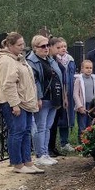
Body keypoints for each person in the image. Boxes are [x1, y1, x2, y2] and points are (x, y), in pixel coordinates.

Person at [0, 33, 42, 174]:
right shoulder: (6, 61)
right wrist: (14, 104)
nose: (22, 47)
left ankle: (27, 161)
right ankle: (17, 164)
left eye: (23, 44)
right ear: (9, 45)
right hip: (13, 103)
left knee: (26, 131)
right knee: (17, 131)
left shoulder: (19, 59)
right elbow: (8, 84)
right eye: (19, 45)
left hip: (24, 101)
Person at [27, 35, 63, 167]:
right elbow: (34, 82)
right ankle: (39, 154)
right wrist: (38, 97)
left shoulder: (50, 60)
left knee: (48, 127)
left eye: (47, 45)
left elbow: (58, 77)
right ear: (35, 48)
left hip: (54, 98)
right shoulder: (32, 62)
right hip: (43, 98)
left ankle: (45, 152)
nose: (46, 48)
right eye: (43, 46)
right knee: (40, 127)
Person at [50, 37, 76, 154]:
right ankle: (52, 143)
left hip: (69, 92)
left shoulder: (70, 60)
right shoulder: (54, 61)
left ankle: (65, 142)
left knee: (66, 118)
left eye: (64, 46)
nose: (63, 49)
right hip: (59, 92)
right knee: (57, 118)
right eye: (59, 47)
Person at [73, 59, 95, 133]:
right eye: (87, 68)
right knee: (82, 126)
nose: (89, 70)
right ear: (82, 69)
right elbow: (75, 94)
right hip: (83, 106)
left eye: (90, 68)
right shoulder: (78, 80)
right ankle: (81, 143)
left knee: (90, 126)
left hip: (92, 106)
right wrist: (80, 106)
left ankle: (89, 143)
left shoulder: (94, 79)